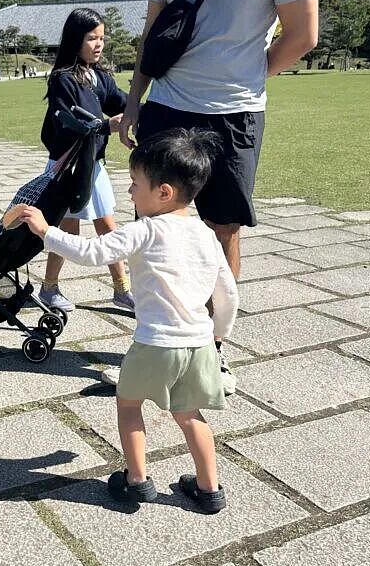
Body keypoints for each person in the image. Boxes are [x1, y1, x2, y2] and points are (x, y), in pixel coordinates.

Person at [119, 0, 318, 394]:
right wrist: (134, 101)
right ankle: (157, 338)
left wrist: (247, 77)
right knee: (154, 229)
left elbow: (303, 34)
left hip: (233, 109)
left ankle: (212, 348)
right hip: (169, 103)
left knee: (222, 228)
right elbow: (154, 32)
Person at [17, 128, 238, 512]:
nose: (131, 193)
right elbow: (228, 294)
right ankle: (209, 489)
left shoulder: (145, 229)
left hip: (155, 344)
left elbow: (90, 251)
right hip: (200, 344)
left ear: (164, 192)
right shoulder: (205, 235)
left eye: (135, 185)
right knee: (190, 416)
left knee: (129, 405)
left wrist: (45, 231)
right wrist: (218, 337)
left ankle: (136, 481)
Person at [37, 7, 134, 313]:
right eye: (92, 38)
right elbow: (70, 124)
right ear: (75, 40)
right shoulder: (62, 80)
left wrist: (148, 109)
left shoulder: (99, 75)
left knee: (107, 227)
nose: (99, 44)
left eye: (102, 37)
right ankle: (49, 288)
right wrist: (108, 125)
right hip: (69, 166)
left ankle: (121, 290)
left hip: (93, 165)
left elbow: (122, 102)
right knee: (68, 231)